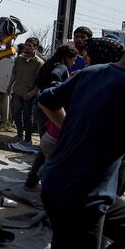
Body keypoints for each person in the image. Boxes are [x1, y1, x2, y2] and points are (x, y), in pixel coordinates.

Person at [15, 13, 125, 249]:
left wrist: (70, 128)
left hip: (63, 182)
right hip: (81, 197)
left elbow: (47, 99)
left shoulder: (93, 73)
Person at [23, 44, 78, 191]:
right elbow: (54, 77)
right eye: (74, 59)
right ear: (67, 58)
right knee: (50, 147)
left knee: (46, 146)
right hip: (46, 108)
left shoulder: (51, 63)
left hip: (41, 105)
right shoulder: (60, 68)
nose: (74, 62)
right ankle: (39, 183)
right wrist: (58, 89)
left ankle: (32, 179)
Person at [6, 37, 44, 144]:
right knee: (16, 115)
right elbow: (14, 73)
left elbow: (40, 82)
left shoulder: (39, 63)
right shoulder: (19, 59)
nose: (27, 48)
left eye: (30, 46)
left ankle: (28, 139)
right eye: (26, 45)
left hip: (29, 94)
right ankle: (19, 135)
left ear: (35, 48)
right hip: (17, 91)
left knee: (27, 117)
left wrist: (32, 93)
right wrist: (9, 86)